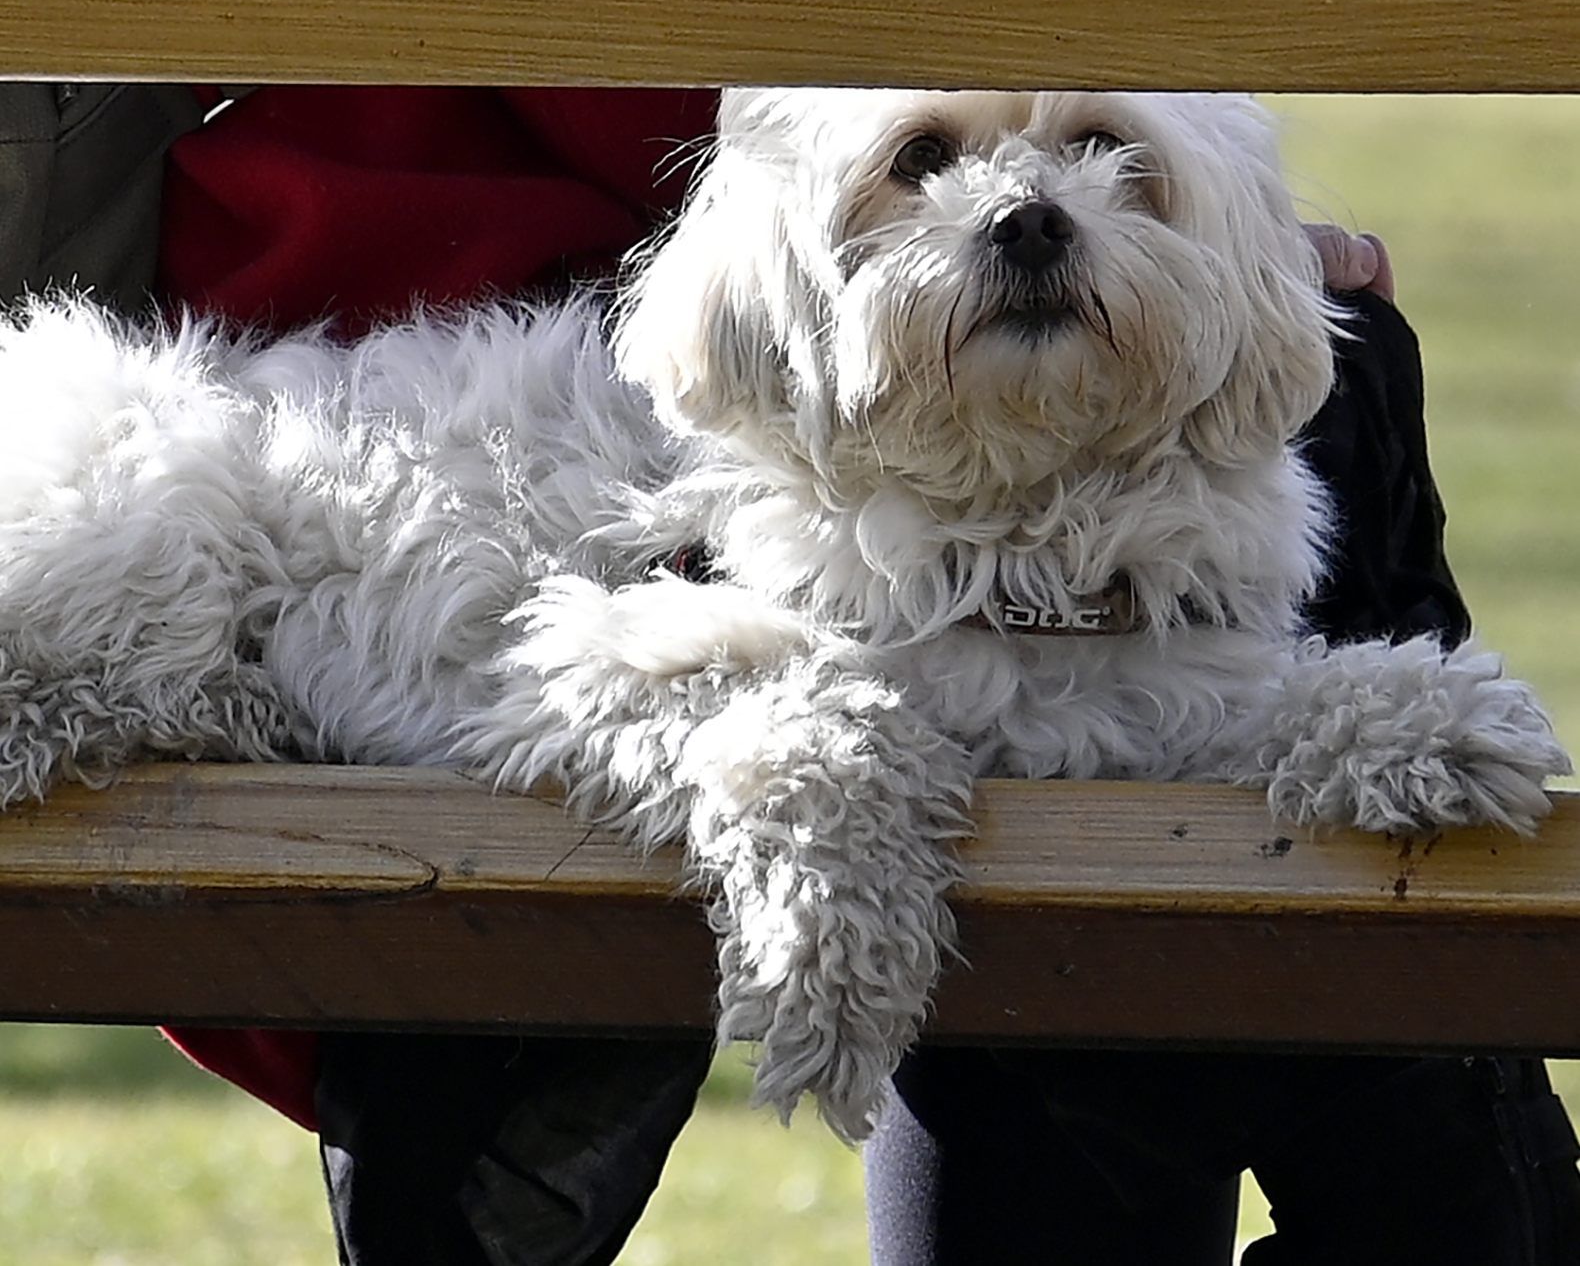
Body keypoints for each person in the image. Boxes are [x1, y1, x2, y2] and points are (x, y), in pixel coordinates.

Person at [2, 81, 1576, 1265]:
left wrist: (1347, 714)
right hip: (309, 464)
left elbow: (1117, 716)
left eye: (1106, 158)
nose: (1029, 206)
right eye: (932, 166)